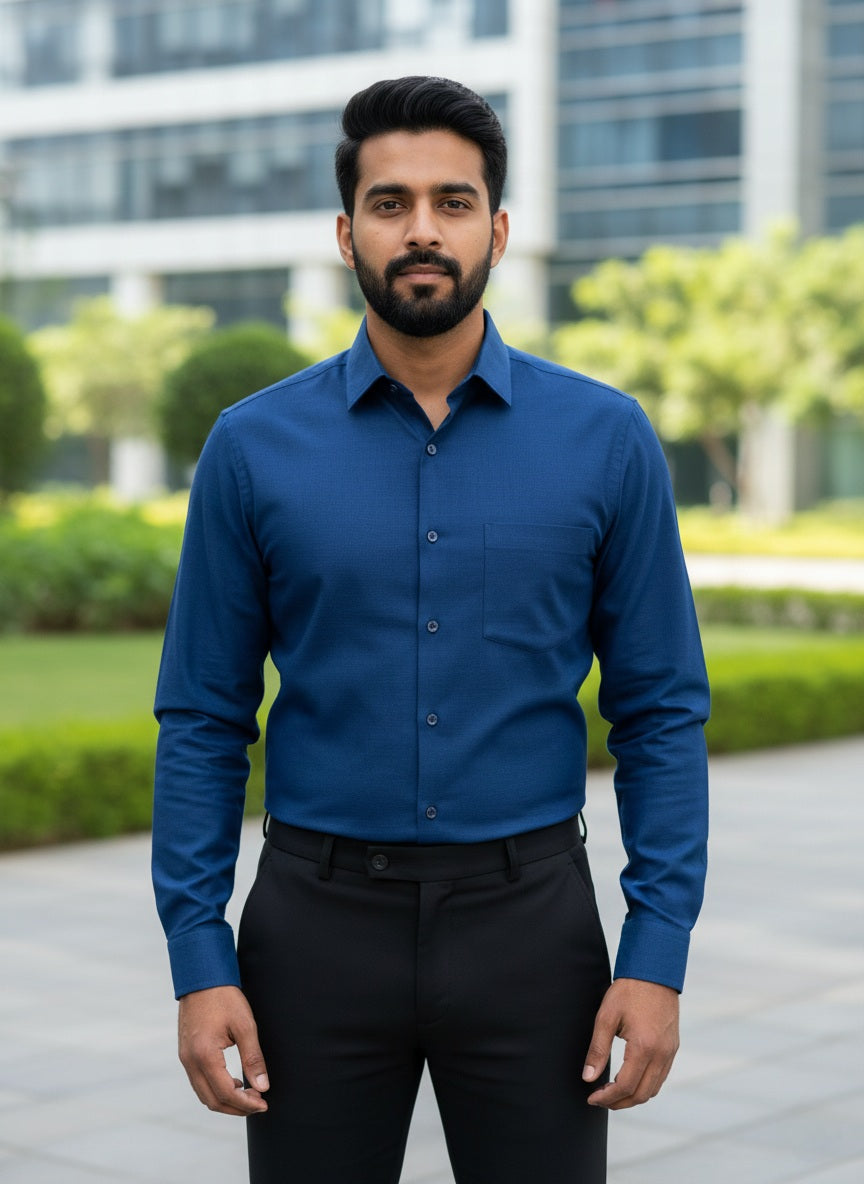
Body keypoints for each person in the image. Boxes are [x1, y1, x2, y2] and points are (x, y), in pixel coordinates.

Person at [152, 75, 709, 1184]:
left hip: (533, 931)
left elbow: (662, 711)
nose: (422, 230)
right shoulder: (251, 447)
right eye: (391, 201)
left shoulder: (608, 439)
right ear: (345, 230)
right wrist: (198, 956)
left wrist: (657, 954)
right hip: (312, 930)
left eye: (453, 202)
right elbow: (203, 717)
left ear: (497, 229)